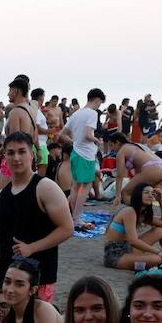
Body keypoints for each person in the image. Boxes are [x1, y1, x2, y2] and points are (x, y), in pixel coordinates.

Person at [0, 131, 75, 302]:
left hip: (38, 278)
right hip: (6, 277)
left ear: (32, 155)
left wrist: (32, 247)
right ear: (5, 157)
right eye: (10, 153)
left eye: (21, 151)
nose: (16, 157)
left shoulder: (45, 188)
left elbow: (67, 228)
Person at [102, 185, 162, 270]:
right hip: (116, 256)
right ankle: (141, 263)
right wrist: (158, 252)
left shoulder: (141, 213)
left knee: (161, 230)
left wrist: (161, 201)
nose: (150, 195)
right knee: (159, 259)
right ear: (137, 195)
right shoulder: (130, 211)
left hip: (128, 248)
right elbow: (133, 241)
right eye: (146, 192)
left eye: (152, 193)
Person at [61, 88, 104, 225]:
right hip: (86, 154)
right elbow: (88, 135)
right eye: (100, 103)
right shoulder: (92, 113)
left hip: (76, 153)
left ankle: (71, 216)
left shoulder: (76, 114)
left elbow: (62, 134)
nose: (99, 106)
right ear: (97, 100)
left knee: (76, 186)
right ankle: (76, 218)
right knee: (85, 187)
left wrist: (74, 142)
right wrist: (98, 141)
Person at [105, 132, 162, 204]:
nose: (111, 149)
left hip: (152, 169)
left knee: (125, 193)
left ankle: (136, 213)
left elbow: (120, 176)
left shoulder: (122, 151)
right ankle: (145, 210)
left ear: (117, 142)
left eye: (111, 145)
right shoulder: (137, 145)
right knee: (141, 193)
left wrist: (118, 196)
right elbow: (139, 170)